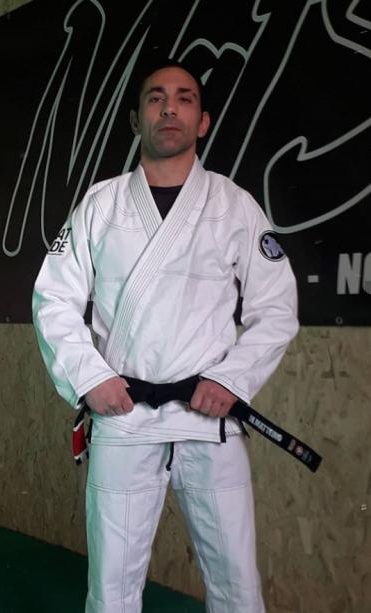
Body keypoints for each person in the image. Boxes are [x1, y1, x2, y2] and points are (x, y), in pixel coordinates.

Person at [33, 56, 298, 613]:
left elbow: (277, 308)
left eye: (184, 98)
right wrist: (90, 378)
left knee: (236, 583)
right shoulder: (101, 204)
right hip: (124, 414)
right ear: (136, 119)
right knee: (111, 587)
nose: (169, 108)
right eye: (155, 98)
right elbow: (53, 298)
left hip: (209, 417)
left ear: (203, 121)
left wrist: (231, 380)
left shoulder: (234, 206)